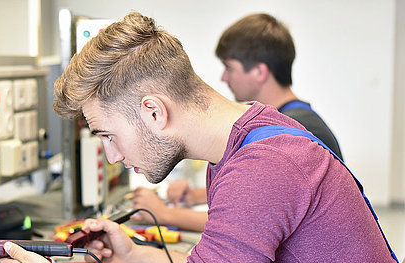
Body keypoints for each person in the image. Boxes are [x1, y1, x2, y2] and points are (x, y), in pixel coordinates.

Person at [0, 11, 403, 263]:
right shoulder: (243, 139)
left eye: (108, 135)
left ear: (154, 111)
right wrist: (137, 259)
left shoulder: (262, 168)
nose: (112, 156)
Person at [132, 13, 343, 232]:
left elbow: (250, 221)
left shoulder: (292, 134)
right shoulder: (289, 121)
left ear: (259, 72)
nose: (224, 77)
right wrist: (194, 196)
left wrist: (165, 214)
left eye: (230, 67)